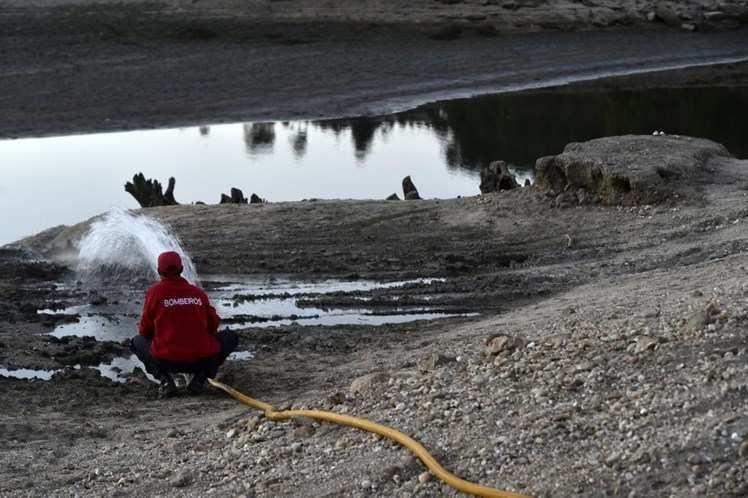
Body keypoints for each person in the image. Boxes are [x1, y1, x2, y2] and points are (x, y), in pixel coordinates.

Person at [130, 251, 237, 397]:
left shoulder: (154, 293)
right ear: (181, 269)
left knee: (137, 341)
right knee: (230, 337)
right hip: (200, 361)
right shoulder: (198, 293)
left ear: (159, 271)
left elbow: (145, 331)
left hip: (166, 361)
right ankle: (200, 379)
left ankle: (166, 381)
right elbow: (213, 325)